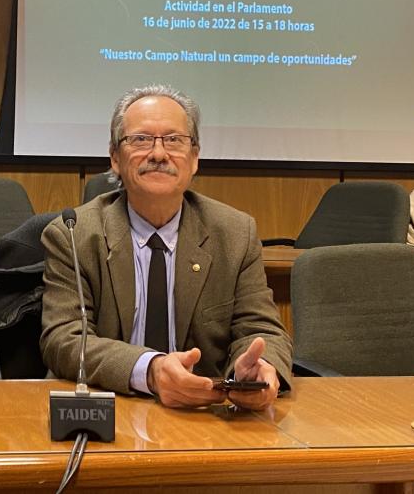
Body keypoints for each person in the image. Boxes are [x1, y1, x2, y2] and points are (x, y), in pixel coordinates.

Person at [40, 85, 291, 410]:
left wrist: (260, 369)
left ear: (195, 158)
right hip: (111, 409)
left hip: (205, 415)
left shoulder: (234, 233)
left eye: (174, 140)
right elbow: (65, 341)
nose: (159, 154)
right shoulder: (73, 235)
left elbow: (261, 329)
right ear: (115, 157)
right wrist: (151, 370)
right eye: (141, 140)